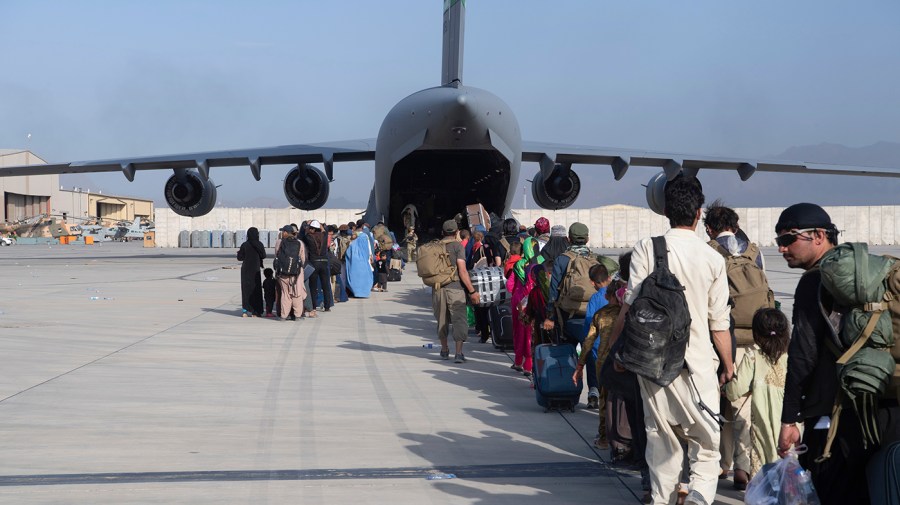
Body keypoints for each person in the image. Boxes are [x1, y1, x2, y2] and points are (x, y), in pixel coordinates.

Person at [610, 175, 733, 505]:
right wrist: (729, 365)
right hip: (697, 366)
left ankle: (662, 500)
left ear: (665, 211)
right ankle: (698, 498)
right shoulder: (713, 259)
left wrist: (616, 351)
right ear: (699, 213)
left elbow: (629, 307)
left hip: (651, 363)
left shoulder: (646, 249)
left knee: (661, 440)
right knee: (706, 445)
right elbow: (719, 323)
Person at [773, 203, 876, 505]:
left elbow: (802, 355)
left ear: (818, 235)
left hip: (832, 417)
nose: (781, 249)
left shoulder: (814, 282)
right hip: (877, 408)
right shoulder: (864, 277)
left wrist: (789, 419)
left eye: (788, 239)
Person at [704, 200, 765, 488]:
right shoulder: (755, 254)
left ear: (709, 228)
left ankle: (720, 464)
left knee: (716, 405)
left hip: (718, 338)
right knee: (743, 406)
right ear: (735, 226)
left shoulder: (708, 252)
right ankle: (743, 467)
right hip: (754, 340)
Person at [724, 307, 789, 478]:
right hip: (788, 425)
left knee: (763, 465)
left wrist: (726, 390)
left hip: (762, 425)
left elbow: (737, 389)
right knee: (788, 466)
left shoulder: (753, 357)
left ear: (757, 335)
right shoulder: (789, 358)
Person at [543, 222, 601, 406]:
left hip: (568, 316)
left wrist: (550, 316)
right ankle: (594, 391)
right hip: (592, 317)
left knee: (567, 353)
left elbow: (554, 292)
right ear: (588, 239)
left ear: (569, 239)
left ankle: (568, 391)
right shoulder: (596, 259)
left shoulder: (562, 259)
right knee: (591, 352)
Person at [575, 275, 625, 448]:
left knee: (605, 401)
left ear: (607, 296)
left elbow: (588, 341)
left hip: (603, 362)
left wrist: (580, 365)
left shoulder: (600, 315)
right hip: (624, 362)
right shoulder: (625, 313)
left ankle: (604, 438)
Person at [431, 219, 480, 364]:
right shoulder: (458, 247)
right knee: (459, 320)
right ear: (456, 232)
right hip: (455, 288)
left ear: (443, 232)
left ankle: (444, 350)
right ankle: (458, 353)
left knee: (441, 320)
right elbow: (463, 271)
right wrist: (472, 291)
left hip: (438, 288)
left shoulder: (435, 246)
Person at [579, 263, 612, 409]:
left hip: (598, 346)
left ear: (593, 282)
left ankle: (593, 393)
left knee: (593, 365)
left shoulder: (595, 298)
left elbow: (589, 323)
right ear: (609, 278)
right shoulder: (617, 294)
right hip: (615, 347)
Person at [275, 225, 307, 321]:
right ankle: (297, 315)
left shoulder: (279, 242)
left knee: (285, 294)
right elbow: (303, 258)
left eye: (282, 231)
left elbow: (277, 255)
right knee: (297, 293)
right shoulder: (299, 243)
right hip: (296, 273)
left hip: (283, 273)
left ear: (285, 232)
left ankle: (284, 315)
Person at [304, 220, 334, 315]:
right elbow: (324, 229)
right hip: (324, 262)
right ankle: (327, 306)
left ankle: (313, 306)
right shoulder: (324, 236)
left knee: (313, 287)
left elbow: (305, 232)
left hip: (314, 262)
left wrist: (308, 224)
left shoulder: (308, 237)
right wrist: (319, 224)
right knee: (325, 285)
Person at [236, 226, 266, 317]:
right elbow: (264, 255)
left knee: (246, 290)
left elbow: (240, 258)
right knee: (256, 290)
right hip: (255, 270)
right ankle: (256, 311)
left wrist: (239, 253)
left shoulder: (245, 244)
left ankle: (245, 310)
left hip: (245, 270)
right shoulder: (259, 244)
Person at [345, 231, 373, 298]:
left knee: (355, 279)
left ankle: (356, 292)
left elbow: (348, 254)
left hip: (354, 266)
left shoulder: (353, 244)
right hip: (364, 265)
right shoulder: (363, 244)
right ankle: (364, 292)